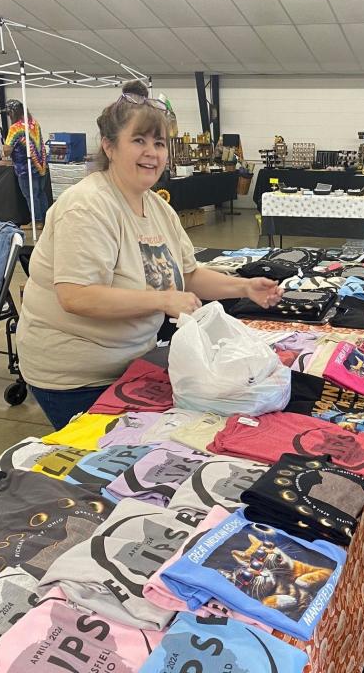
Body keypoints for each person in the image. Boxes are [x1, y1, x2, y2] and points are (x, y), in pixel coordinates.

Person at [16, 81, 282, 430]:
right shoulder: (87, 207)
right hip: (76, 379)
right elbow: (76, 296)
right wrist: (162, 300)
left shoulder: (157, 206)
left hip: (131, 365)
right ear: (109, 146)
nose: (152, 153)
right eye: (138, 141)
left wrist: (244, 288)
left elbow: (186, 275)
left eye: (159, 143)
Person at [2, 100, 48, 228]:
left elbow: (7, 150)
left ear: (12, 113)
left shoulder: (15, 128)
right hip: (40, 165)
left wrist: (3, 147)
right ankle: (44, 219)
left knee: (31, 196)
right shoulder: (34, 123)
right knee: (40, 193)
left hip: (25, 168)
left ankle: (37, 221)